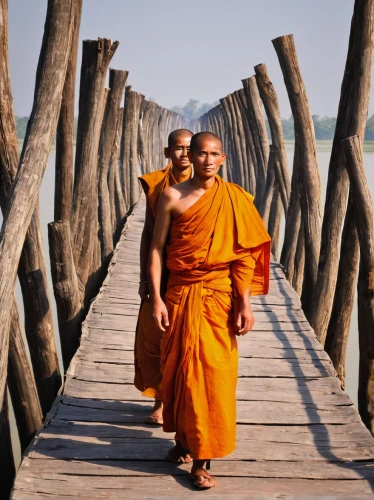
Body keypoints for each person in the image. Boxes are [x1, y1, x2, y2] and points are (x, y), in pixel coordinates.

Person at [148, 132, 271, 489]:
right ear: (189, 156)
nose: (206, 159)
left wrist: (245, 302)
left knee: (214, 376)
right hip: (180, 293)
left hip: (219, 297)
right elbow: (157, 250)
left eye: (213, 154)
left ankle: (203, 459)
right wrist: (155, 296)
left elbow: (244, 255)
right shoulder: (171, 196)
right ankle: (183, 440)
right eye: (200, 153)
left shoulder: (236, 198)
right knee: (180, 371)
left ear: (223, 158)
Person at [134, 129, 193, 428]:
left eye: (188, 148)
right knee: (155, 336)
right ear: (167, 152)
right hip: (161, 270)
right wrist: (145, 279)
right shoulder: (157, 184)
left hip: (191, 271)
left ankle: (179, 400)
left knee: (186, 339)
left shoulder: (209, 187)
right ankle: (159, 400)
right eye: (178, 148)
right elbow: (148, 234)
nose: (184, 154)